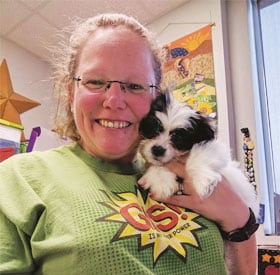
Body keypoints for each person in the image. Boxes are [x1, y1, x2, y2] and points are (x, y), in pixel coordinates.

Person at [0, 13, 258, 275]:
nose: (114, 100)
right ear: (71, 91)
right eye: (95, 82)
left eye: (134, 85)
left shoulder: (190, 166)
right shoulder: (20, 178)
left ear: (156, 98)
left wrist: (241, 221)